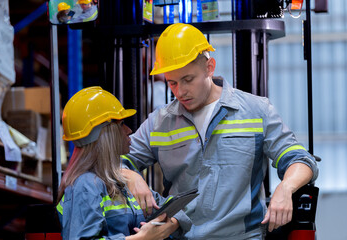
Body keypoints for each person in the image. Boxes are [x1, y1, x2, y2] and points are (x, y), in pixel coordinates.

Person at [121, 23, 319, 239]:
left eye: (188, 80)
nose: (180, 91)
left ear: (210, 67)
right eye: (172, 83)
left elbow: (300, 159)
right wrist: (130, 175)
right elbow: (109, 162)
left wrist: (286, 187)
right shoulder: (159, 123)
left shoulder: (255, 110)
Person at [56, 87, 191, 239]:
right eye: (121, 125)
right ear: (105, 134)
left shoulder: (124, 183)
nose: (129, 130)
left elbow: (176, 211)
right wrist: (143, 238)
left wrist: (170, 224)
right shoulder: (85, 186)